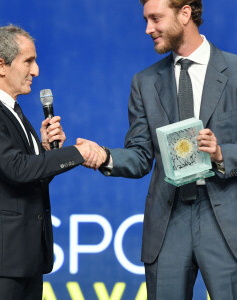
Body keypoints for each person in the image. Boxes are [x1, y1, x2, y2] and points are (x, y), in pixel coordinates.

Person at [78, 0, 237, 299]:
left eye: (155, 18)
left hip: (226, 219)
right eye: (146, 19)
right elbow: (139, 155)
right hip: (169, 219)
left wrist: (220, 154)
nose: (148, 29)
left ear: (185, 13)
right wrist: (105, 156)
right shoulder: (145, 82)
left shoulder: (236, 72)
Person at [0, 25, 102, 300]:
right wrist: (77, 153)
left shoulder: (14, 112)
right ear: (1, 65)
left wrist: (46, 150)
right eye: (28, 61)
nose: (35, 71)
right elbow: (17, 169)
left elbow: (30, 177)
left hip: (27, 260)